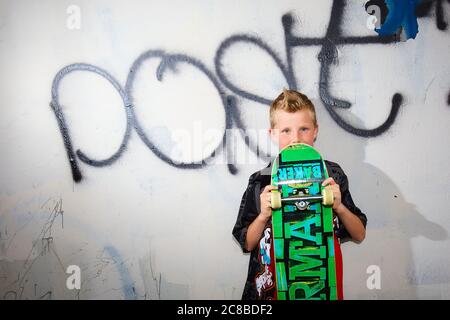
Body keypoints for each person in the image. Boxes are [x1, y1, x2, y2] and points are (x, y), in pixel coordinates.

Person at [232, 89, 367, 300]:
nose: (296, 138)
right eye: (286, 130)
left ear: (315, 131)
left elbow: (359, 234)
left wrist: (339, 207)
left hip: (320, 289)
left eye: (303, 129)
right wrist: (263, 216)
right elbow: (247, 243)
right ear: (273, 134)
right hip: (271, 292)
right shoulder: (261, 181)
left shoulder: (332, 175)